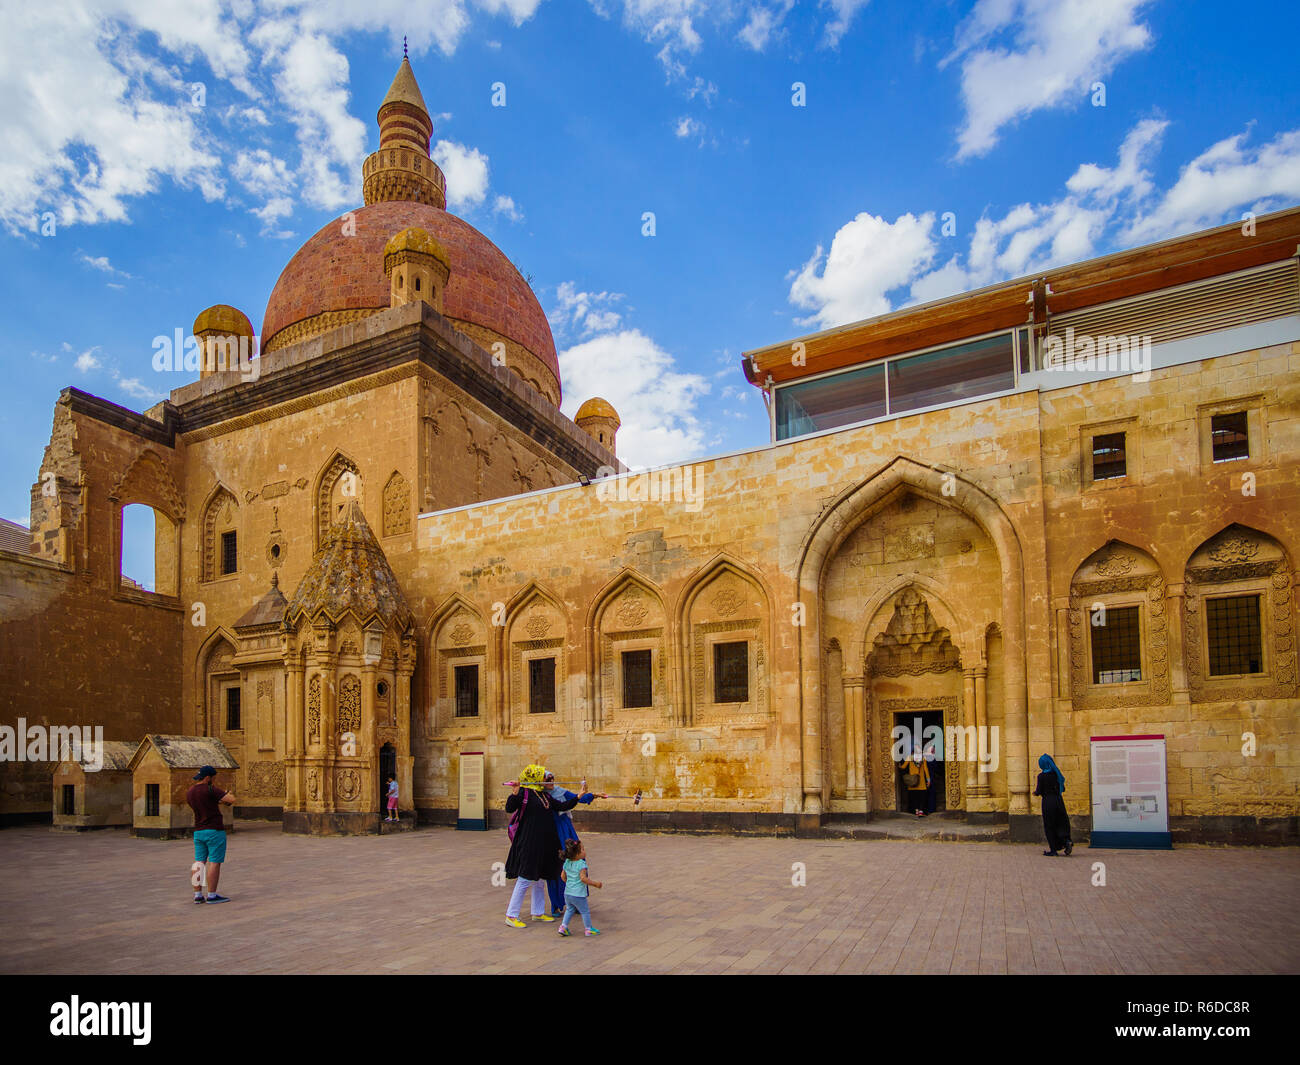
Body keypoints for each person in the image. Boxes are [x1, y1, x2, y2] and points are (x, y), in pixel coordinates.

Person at [503, 764, 581, 928]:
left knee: (539, 879)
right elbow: (509, 808)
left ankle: (537, 912)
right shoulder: (525, 793)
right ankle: (511, 915)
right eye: (543, 778)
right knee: (525, 878)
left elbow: (561, 806)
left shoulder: (543, 796)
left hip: (543, 844)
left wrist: (578, 797)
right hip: (529, 843)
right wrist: (515, 793)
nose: (546, 781)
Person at [542, 770, 602, 917]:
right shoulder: (541, 796)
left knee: (576, 861)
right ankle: (556, 904)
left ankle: (575, 901)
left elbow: (575, 799)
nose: (551, 781)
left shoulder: (559, 791)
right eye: (547, 779)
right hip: (551, 833)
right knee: (556, 867)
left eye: (552, 778)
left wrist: (593, 795)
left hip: (566, 830)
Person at [186, 765, 236, 904]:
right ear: (208, 778)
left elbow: (206, 803)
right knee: (214, 862)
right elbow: (231, 799)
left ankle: (197, 894)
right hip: (214, 830)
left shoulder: (190, 792)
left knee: (199, 861)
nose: (214, 781)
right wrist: (226, 794)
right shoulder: (210, 789)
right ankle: (212, 895)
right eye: (213, 778)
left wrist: (218, 801)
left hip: (198, 831)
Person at [557, 838, 602, 937]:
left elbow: (562, 876)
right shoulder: (581, 864)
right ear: (576, 854)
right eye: (582, 850)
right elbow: (583, 878)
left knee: (569, 909)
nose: (584, 851)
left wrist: (569, 883)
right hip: (578, 894)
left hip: (568, 893)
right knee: (585, 911)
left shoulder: (567, 862)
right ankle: (588, 929)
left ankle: (563, 927)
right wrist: (595, 884)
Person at [1034, 753, 1073, 856]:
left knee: (1050, 825)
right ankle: (1066, 841)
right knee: (1061, 822)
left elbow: (1039, 790)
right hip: (1058, 801)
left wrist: (1036, 793)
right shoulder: (1056, 774)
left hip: (1048, 802)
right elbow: (1062, 788)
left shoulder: (1041, 776)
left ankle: (1053, 850)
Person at [901, 749, 930, 817]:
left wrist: (899, 765)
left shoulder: (910, 757)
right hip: (921, 781)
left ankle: (916, 811)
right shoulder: (922, 758)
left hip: (913, 781)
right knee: (922, 797)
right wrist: (928, 780)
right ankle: (921, 811)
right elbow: (926, 769)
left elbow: (903, 767)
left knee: (914, 797)